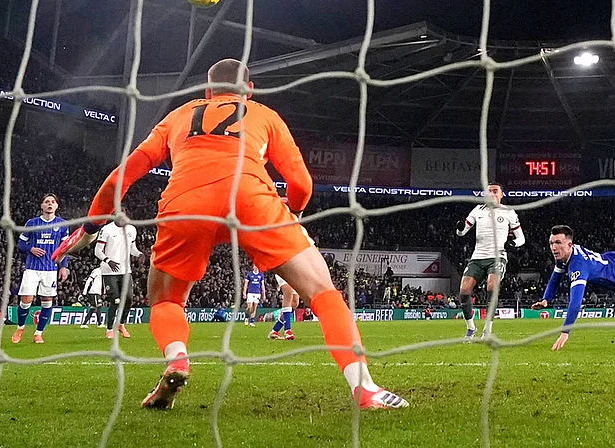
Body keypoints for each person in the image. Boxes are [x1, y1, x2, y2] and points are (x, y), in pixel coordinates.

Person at [53, 59, 407, 410]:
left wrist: (90, 226)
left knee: (165, 301)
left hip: (185, 205)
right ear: (249, 91)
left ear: (207, 92)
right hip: (252, 200)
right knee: (323, 292)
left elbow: (122, 176)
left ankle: (177, 360)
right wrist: (292, 213)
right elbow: (302, 183)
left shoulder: (178, 116)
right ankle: (364, 389)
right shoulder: (265, 115)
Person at [455, 182, 525, 340]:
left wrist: (513, 244)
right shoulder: (477, 211)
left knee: (492, 286)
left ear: (501, 194)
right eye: (489, 191)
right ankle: (471, 328)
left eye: (495, 191)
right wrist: (459, 228)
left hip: (497, 256)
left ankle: (487, 329)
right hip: (478, 256)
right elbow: (462, 232)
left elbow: (521, 238)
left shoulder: (509, 213)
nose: (492, 194)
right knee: (464, 290)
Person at [12, 193, 69, 344]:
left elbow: (64, 249)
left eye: (52, 202)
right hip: (32, 268)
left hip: (50, 269)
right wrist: (31, 248)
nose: (50, 204)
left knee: (47, 300)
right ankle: (20, 327)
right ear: (41, 206)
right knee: (26, 299)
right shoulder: (32, 223)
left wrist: (63, 267)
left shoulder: (62, 225)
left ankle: (38, 333)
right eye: (46, 202)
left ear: (56, 206)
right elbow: (21, 244)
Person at [95, 207, 144, 339]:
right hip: (109, 271)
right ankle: (110, 329)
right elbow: (97, 250)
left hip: (125, 270)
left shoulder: (131, 229)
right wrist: (108, 260)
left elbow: (132, 248)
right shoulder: (106, 230)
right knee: (115, 300)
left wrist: (139, 254)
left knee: (128, 299)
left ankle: (121, 324)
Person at [268, 274, 300, 340]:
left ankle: (275, 330)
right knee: (288, 295)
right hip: (284, 269)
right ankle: (287, 330)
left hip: (294, 272)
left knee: (294, 303)